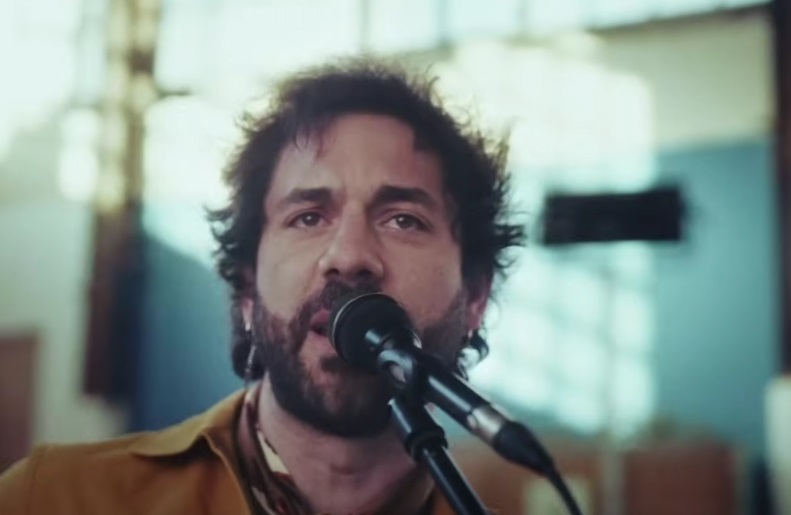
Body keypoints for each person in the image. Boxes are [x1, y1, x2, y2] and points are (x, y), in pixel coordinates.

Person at [0, 58, 524, 514]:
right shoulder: (49, 498)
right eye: (308, 217)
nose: (349, 256)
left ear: (475, 298)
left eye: (403, 220)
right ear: (248, 292)